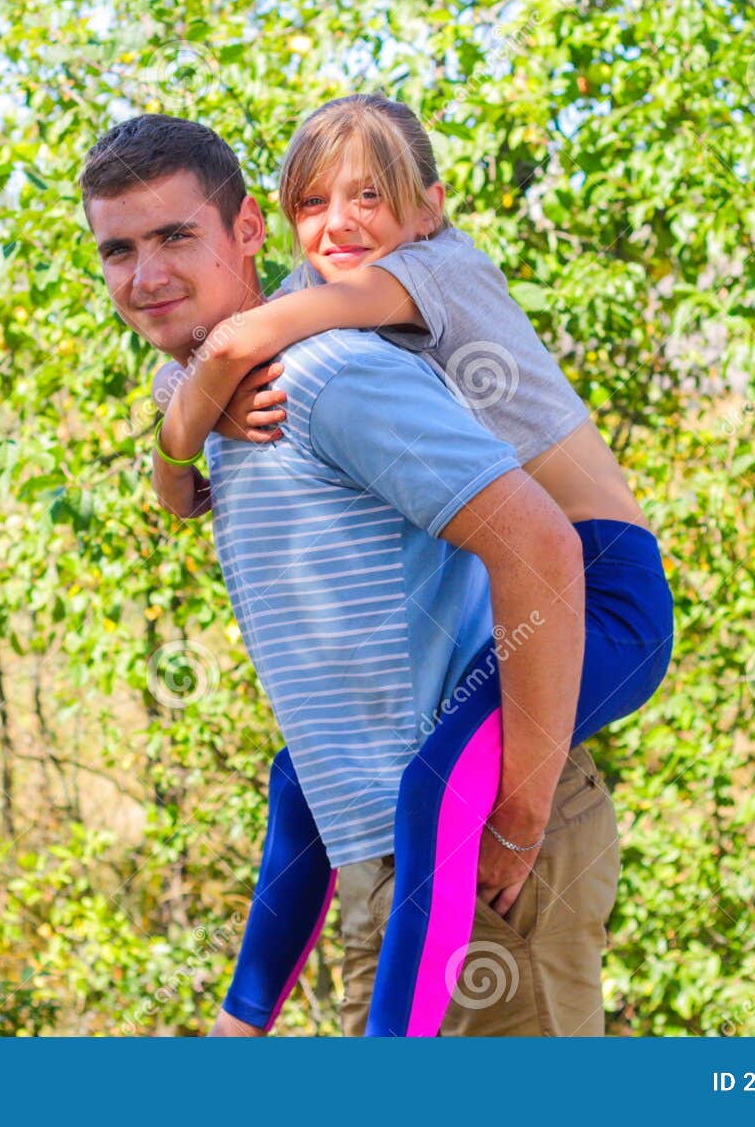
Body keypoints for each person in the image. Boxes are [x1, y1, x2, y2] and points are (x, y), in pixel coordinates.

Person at [82, 109, 668, 1036]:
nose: (146, 275)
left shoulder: (336, 356)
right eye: (119, 251)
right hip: (396, 868)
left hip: (488, 826)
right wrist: (193, 413)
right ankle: (242, 1023)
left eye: (173, 236)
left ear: (245, 233)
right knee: (298, 772)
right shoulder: (244, 378)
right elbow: (178, 465)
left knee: (425, 788)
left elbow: (542, 550)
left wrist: (514, 818)